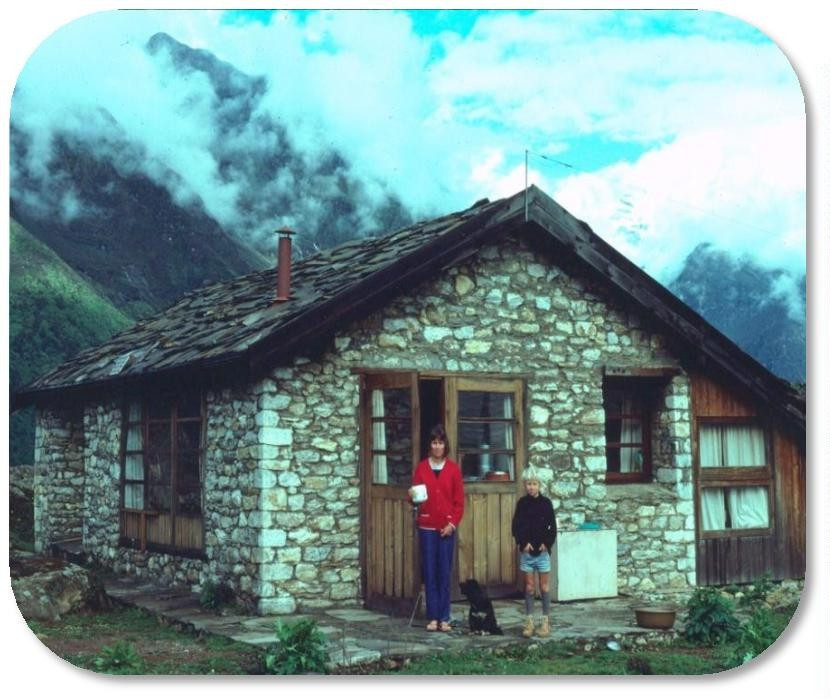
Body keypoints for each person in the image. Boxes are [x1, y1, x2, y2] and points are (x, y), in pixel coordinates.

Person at [409, 424, 465, 632]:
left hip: (446, 529)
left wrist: (452, 524)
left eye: (441, 442)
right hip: (427, 528)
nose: (437, 446)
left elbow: (459, 502)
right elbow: (415, 497)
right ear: (430, 445)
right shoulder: (422, 468)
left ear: (445, 445)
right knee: (430, 573)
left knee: (444, 573)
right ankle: (432, 617)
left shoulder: (453, 469)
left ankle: (444, 617)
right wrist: (412, 497)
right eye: (434, 442)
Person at [511, 466, 557, 638]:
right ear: (525, 485)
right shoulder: (522, 504)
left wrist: (547, 543)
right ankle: (529, 621)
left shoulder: (546, 504)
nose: (531, 487)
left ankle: (545, 621)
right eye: (528, 484)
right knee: (529, 588)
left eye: (534, 484)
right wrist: (522, 543)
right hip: (527, 553)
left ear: (540, 485)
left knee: (544, 587)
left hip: (543, 552)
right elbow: (516, 526)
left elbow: (552, 527)